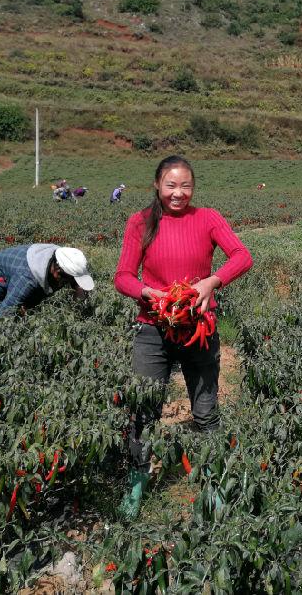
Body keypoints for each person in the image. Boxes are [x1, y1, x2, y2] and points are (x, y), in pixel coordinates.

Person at [114, 155, 253, 519]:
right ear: (157, 186)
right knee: (144, 408)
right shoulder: (140, 222)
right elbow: (123, 277)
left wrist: (211, 281)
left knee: (206, 410)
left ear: (194, 187)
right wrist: (150, 294)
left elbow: (242, 256)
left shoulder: (208, 218)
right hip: (152, 328)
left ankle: (214, 483)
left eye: (185, 186)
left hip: (198, 327)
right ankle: (136, 483)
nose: (178, 193)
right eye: (171, 185)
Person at [0, 244, 94, 317]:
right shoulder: (26, 278)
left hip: (18, 267)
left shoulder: (63, 257)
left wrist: (79, 288)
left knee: (29, 304)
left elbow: (74, 274)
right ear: (56, 271)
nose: (67, 282)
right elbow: (5, 312)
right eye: (68, 279)